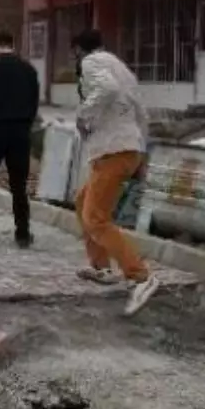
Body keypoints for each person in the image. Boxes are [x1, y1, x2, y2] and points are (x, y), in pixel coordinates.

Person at [71, 29, 159, 316]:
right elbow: (141, 111)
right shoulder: (121, 67)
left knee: (95, 218)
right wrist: (141, 152)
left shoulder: (91, 63)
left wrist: (83, 116)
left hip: (113, 148)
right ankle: (101, 267)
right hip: (127, 148)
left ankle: (141, 275)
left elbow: (105, 89)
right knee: (83, 201)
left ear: (78, 51)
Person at [0, 30, 40, 248]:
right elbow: (34, 102)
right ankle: (22, 233)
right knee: (18, 185)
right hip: (20, 130)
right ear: (13, 45)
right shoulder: (28, 70)